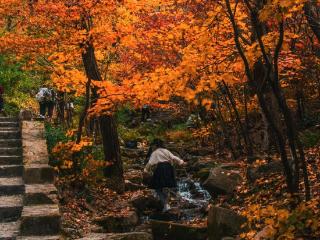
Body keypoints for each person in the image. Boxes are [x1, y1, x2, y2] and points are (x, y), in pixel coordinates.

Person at [144, 139, 186, 212]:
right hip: (169, 169)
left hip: (160, 169)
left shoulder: (155, 152)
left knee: (157, 187)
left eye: (153, 145)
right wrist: (181, 162)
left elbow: (150, 163)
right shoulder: (166, 150)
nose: (152, 147)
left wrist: (145, 170)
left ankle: (166, 204)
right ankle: (171, 200)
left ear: (155, 145)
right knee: (166, 186)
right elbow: (174, 157)